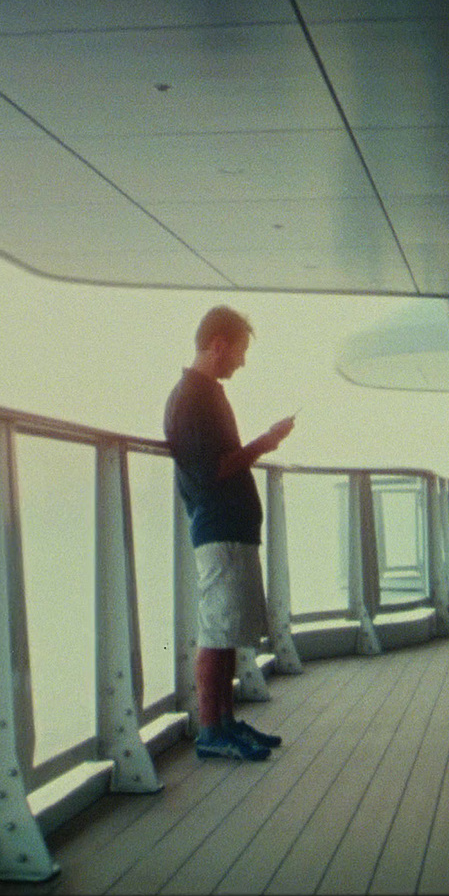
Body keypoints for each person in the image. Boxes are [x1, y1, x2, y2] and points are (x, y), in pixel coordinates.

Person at [164, 305, 295, 761]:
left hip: (229, 528)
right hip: (217, 528)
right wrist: (266, 443)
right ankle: (210, 731)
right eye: (239, 352)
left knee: (224, 633)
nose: (241, 362)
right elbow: (212, 468)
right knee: (216, 634)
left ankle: (223, 721)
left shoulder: (204, 394)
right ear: (219, 345)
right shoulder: (192, 397)